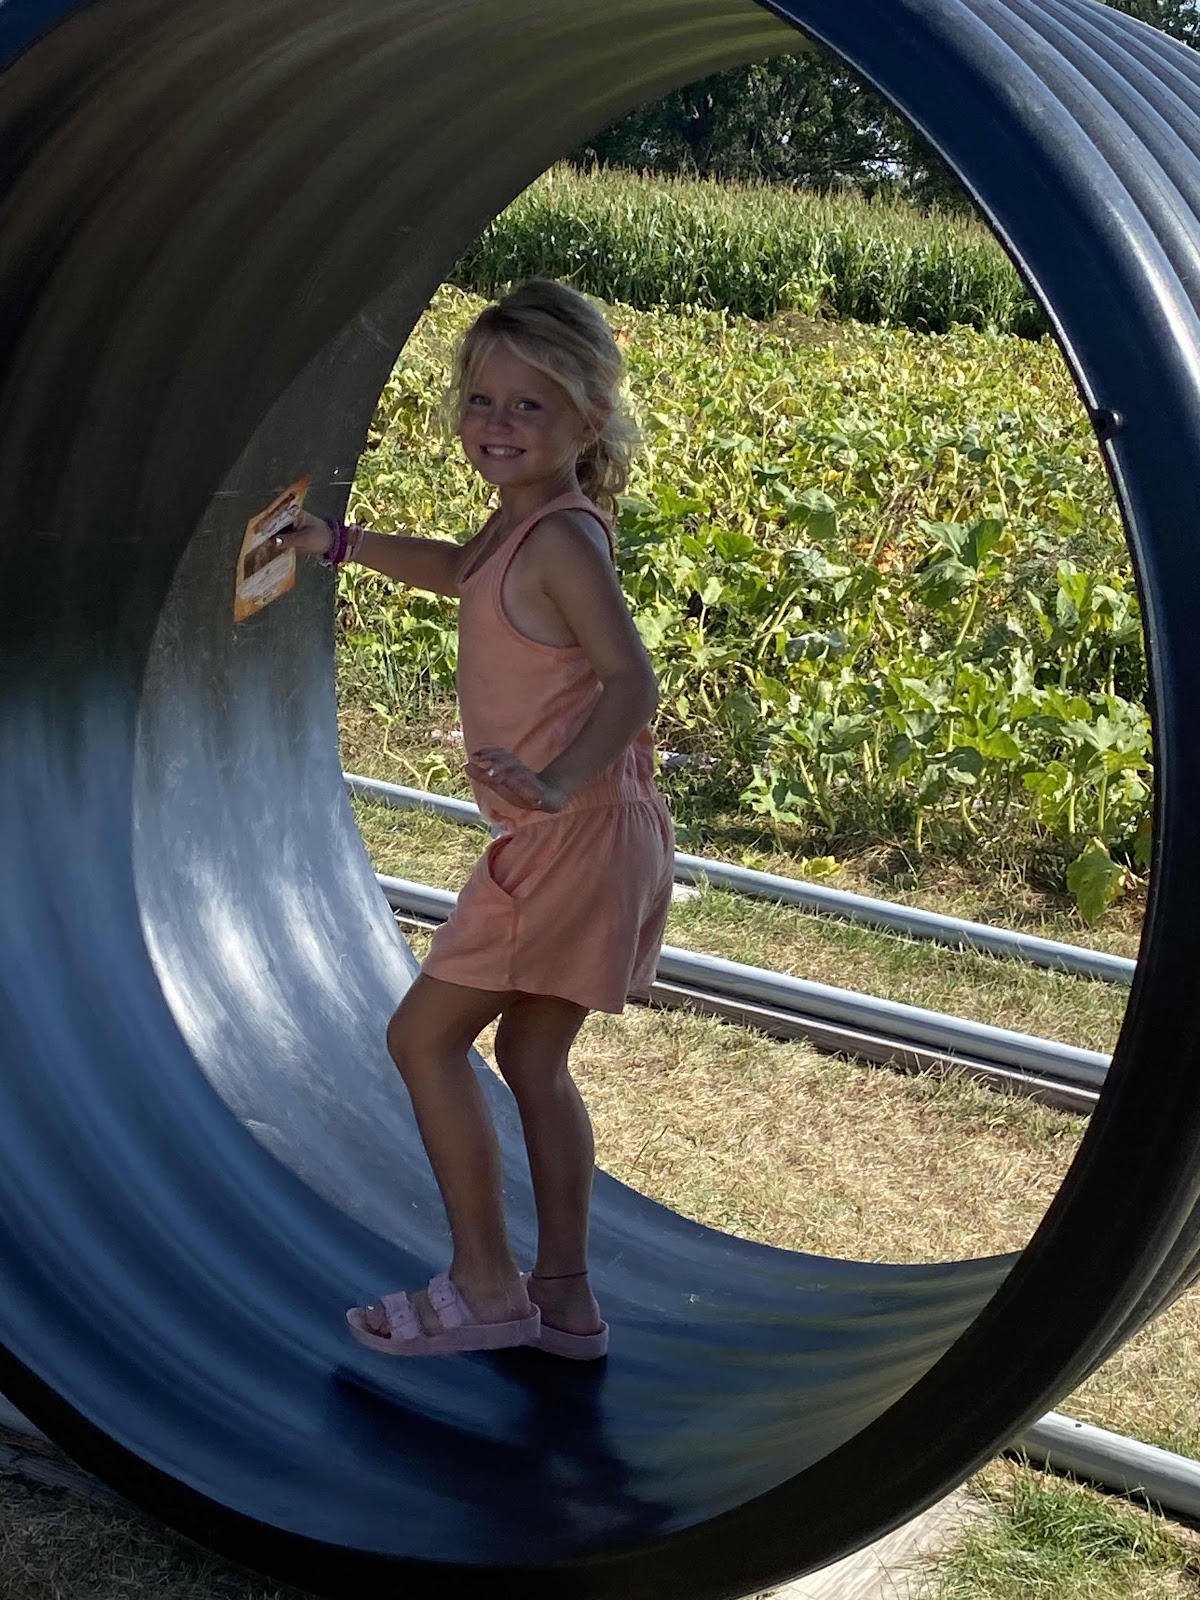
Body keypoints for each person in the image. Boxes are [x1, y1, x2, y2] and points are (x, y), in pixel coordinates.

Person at [275, 280, 674, 1359]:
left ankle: (487, 1286)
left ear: (588, 419)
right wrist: (337, 541)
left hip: (569, 833)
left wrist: (555, 783)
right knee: (534, 1062)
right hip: (605, 833)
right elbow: (457, 570)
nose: (497, 424)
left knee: (423, 1037)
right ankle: (565, 1299)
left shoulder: (562, 542)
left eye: (529, 406)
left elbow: (631, 682)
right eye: (481, 401)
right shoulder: (525, 522)